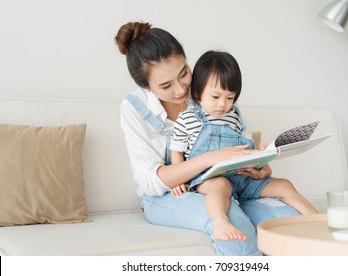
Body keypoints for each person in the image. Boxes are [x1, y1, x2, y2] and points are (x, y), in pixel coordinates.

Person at [115, 21, 299, 256]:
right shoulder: (134, 108)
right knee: (232, 224)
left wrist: (259, 168)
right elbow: (150, 179)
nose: (181, 88)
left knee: (289, 220)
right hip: (169, 195)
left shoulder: (206, 89)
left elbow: (237, 142)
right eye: (165, 85)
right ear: (146, 86)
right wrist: (209, 159)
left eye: (184, 73)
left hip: (227, 185)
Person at [169, 50, 318, 242]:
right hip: (208, 180)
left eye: (230, 97)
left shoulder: (236, 116)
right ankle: (220, 222)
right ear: (197, 92)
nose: (223, 104)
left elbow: (246, 146)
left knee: (284, 185)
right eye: (215, 97)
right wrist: (179, 181)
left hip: (241, 178)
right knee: (221, 185)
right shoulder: (187, 118)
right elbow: (177, 152)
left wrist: (261, 158)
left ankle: (318, 221)